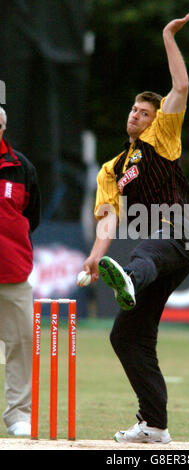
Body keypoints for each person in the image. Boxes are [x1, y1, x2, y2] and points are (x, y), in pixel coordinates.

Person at [80, 13, 189, 444]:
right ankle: (154, 425)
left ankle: (128, 277)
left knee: (143, 251)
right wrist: (95, 255)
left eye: (144, 111)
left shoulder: (163, 136)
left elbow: (180, 87)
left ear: (155, 119)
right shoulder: (112, 169)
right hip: (162, 247)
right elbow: (108, 217)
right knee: (127, 336)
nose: (136, 114)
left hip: (179, 229)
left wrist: (167, 35)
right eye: (134, 108)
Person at [0, 106, 40, 436]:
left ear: (2, 127)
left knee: (22, 341)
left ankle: (18, 415)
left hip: (11, 271)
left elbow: (32, 217)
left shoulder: (20, 167)